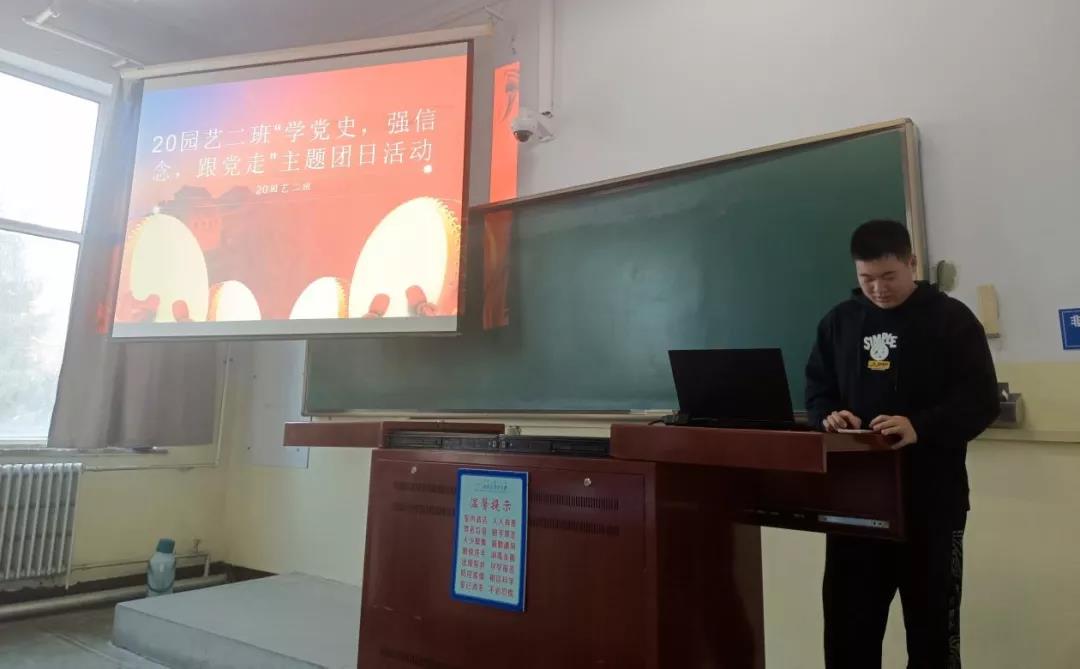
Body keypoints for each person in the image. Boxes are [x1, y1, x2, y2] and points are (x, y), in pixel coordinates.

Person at [805, 219, 1000, 669]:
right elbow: (817, 391)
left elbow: (981, 400)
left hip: (931, 506)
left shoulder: (951, 320)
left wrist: (921, 427)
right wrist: (827, 415)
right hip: (854, 509)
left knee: (933, 637)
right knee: (848, 635)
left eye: (888, 276)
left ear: (912, 263)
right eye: (867, 278)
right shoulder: (839, 322)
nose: (878, 288)